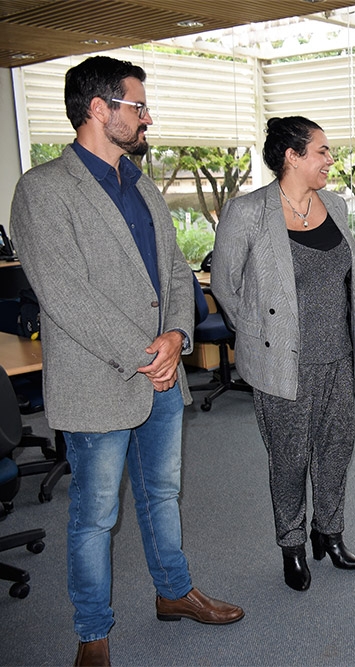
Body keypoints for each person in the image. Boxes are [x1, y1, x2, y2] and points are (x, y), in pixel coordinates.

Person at [10, 56, 243, 667]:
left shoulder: (140, 183)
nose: (147, 116)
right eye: (137, 106)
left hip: (161, 373)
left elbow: (172, 271)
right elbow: (64, 293)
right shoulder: (42, 188)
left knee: (163, 494)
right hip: (99, 380)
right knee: (94, 515)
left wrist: (176, 338)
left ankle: (174, 592)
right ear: (98, 109)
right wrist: (149, 354)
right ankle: (93, 633)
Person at [212, 116, 355, 592]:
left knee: (337, 450)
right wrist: (261, 335)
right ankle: (292, 545)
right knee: (289, 458)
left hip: (338, 356)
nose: (330, 160)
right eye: (322, 151)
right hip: (284, 362)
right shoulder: (249, 212)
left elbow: (346, 279)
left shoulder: (336, 206)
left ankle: (330, 532)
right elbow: (225, 284)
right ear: (292, 157)